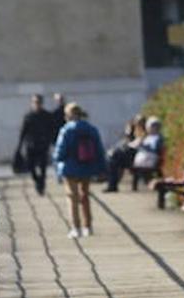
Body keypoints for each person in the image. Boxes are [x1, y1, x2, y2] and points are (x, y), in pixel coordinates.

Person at [53, 102, 107, 239]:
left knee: (72, 197)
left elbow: (60, 152)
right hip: (87, 166)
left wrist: (57, 160)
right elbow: (99, 149)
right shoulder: (91, 128)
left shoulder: (66, 130)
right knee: (85, 196)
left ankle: (75, 228)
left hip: (70, 167)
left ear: (68, 115)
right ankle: (88, 226)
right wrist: (102, 168)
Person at [15, 93, 57, 195]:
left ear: (41, 103)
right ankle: (37, 180)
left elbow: (52, 130)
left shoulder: (47, 115)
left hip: (43, 145)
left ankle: (41, 185)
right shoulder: (28, 116)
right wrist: (19, 146)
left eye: (38, 102)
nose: (37, 104)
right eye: (35, 102)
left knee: (43, 166)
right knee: (30, 166)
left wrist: (51, 141)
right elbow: (23, 131)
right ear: (32, 103)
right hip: (30, 145)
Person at [103, 115, 144, 193]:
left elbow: (136, 144)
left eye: (139, 122)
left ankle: (112, 185)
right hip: (130, 155)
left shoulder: (143, 132)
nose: (137, 124)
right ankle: (112, 185)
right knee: (112, 160)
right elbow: (126, 142)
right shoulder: (133, 132)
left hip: (135, 157)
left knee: (113, 159)